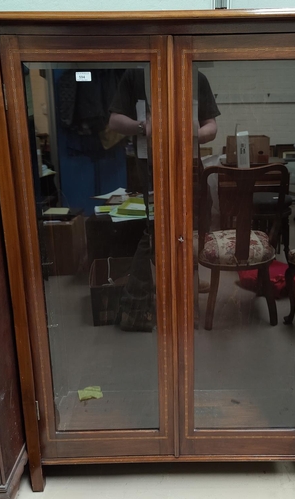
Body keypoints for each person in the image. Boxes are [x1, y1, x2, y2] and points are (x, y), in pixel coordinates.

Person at [108, 68, 220, 331]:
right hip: (151, 169)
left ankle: (185, 304)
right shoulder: (135, 77)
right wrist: (143, 127)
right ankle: (137, 308)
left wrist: (190, 134)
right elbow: (114, 121)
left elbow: (212, 127)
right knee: (154, 232)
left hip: (188, 167)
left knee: (188, 230)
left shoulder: (196, 77)